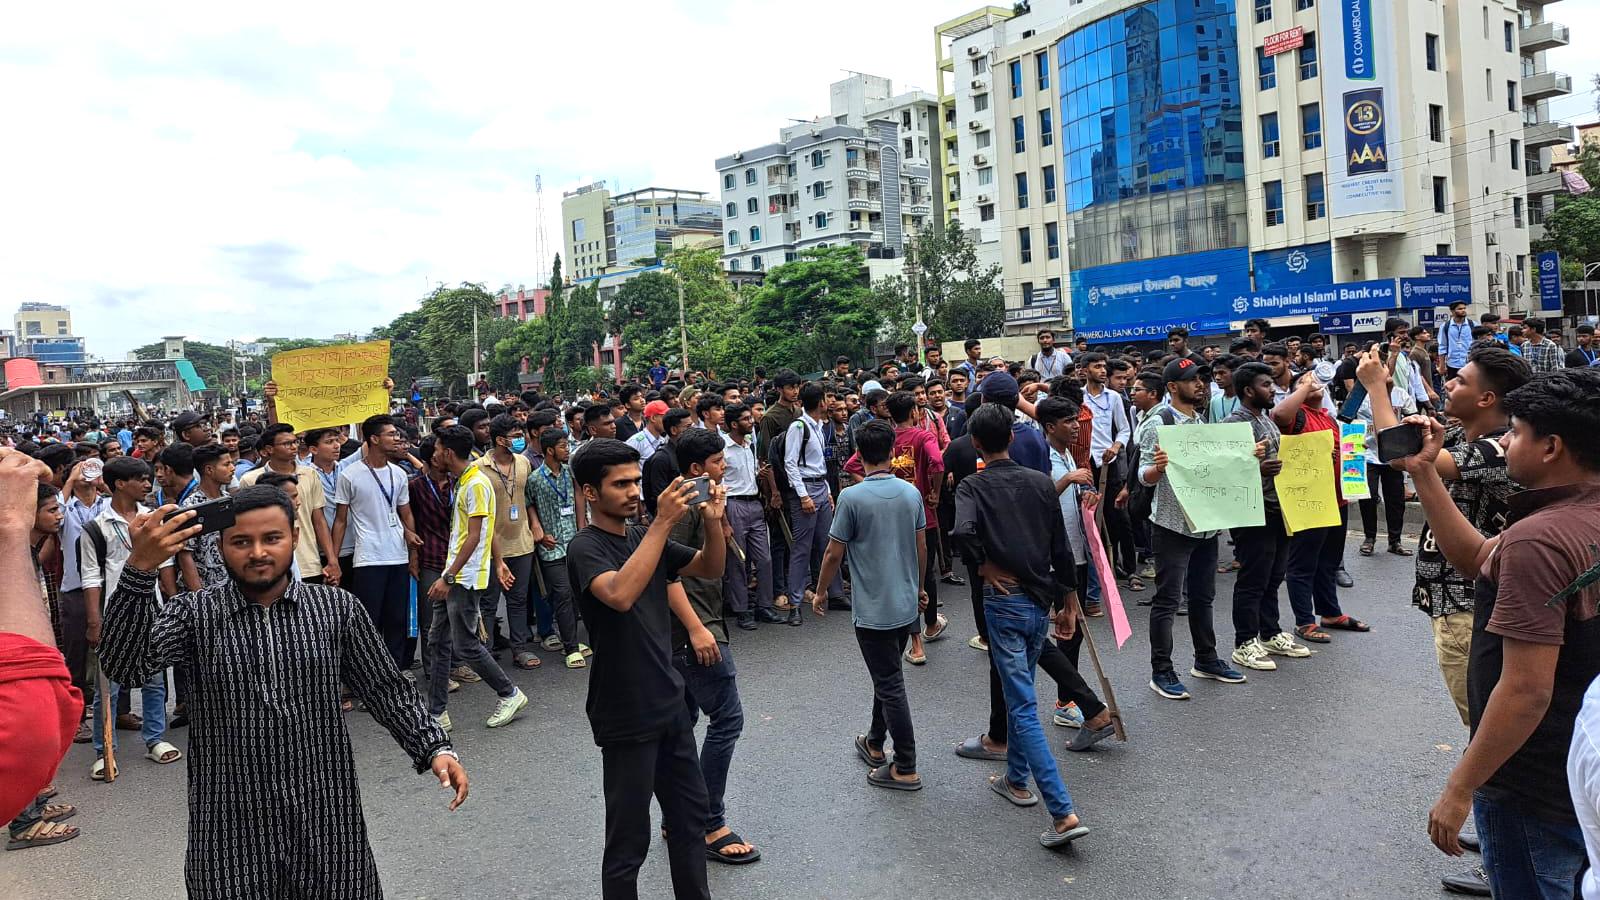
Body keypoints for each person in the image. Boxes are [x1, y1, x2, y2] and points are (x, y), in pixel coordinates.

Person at [97, 485, 467, 897]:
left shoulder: (335, 609)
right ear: (220, 547)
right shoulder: (193, 614)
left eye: (271, 538)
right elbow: (124, 666)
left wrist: (435, 748)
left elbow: (386, 689)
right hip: (229, 827)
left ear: (294, 536)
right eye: (241, 541)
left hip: (328, 818)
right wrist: (138, 570)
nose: (258, 552)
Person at [1402, 368, 1600, 898]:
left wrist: (1460, 786)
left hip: (1529, 784)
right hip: (1576, 770)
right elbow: (1474, 558)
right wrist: (1424, 472)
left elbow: (1526, 690)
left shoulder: (1540, 539)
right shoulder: (1564, 518)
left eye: (1515, 430)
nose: (1506, 441)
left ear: (1551, 446)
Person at [564, 438, 727, 900]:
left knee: (690, 821)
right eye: (620, 484)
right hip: (625, 711)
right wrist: (661, 523)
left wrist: (713, 523)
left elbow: (708, 567)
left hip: (670, 701)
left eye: (636, 481)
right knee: (629, 841)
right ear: (590, 492)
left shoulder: (642, 536)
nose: (634, 491)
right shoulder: (585, 547)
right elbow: (618, 594)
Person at [953, 404, 1091, 848]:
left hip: (1005, 604)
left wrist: (984, 567)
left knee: (1025, 708)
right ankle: (1014, 778)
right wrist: (1068, 599)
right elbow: (1061, 546)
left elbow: (962, 533)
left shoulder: (971, 485)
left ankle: (1063, 812)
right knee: (1020, 695)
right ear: (1011, 439)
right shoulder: (1039, 482)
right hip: (1040, 600)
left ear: (976, 443)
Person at [811, 420, 927, 791]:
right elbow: (922, 546)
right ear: (892, 451)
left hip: (873, 608)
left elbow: (833, 552)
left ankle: (905, 764)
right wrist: (921, 588)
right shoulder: (911, 494)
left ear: (859, 456)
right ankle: (875, 742)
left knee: (890, 682)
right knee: (888, 674)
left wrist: (820, 592)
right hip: (905, 602)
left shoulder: (851, 497)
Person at [664, 428, 760, 864]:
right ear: (698, 468)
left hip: (694, 628)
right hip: (696, 632)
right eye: (720, 461)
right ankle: (709, 822)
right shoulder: (685, 507)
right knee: (727, 720)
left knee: (683, 726)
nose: (727, 467)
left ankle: (679, 815)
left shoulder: (700, 502)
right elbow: (668, 574)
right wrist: (698, 629)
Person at [1136, 359, 1247, 700]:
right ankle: (1162, 670)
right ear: (1172, 387)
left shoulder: (1202, 421)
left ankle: (1206, 659)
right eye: (1192, 380)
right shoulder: (1160, 422)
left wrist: (1247, 454)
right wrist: (1157, 469)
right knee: (1168, 600)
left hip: (1206, 525)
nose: (1201, 384)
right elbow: (1143, 474)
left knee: (1203, 597)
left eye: (1202, 378)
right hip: (1172, 524)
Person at [422, 426, 529, 733]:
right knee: (438, 641)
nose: (434, 454)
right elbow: (487, 529)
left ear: (447, 453)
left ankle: (509, 693)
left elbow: (476, 535)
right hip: (456, 573)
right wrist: (496, 563)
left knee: (466, 644)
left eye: (438, 449)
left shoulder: (475, 484)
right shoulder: (466, 480)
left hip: (464, 578)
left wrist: (449, 576)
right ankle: (437, 712)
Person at [81, 455, 181, 778]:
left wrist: (170, 605)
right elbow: (91, 576)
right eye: (140, 478)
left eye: (147, 477)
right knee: (107, 686)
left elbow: (165, 563)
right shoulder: (96, 527)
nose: (147, 483)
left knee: (154, 677)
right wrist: (95, 621)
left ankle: (154, 739)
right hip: (113, 613)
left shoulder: (152, 519)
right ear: (120, 484)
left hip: (150, 609)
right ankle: (104, 750)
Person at [843, 390, 944, 663]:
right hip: (920, 514)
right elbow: (937, 462)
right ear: (913, 412)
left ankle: (914, 639)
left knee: (895, 569)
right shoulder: (923, 437)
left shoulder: (883, 438)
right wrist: (934, 492)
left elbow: (851, 463)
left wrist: (866, 487)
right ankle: (924, 631)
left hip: (883, 514)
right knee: (922, 575)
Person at [1223, 362, 1309, 672]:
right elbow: (1222, 472)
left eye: (1272, 384)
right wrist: (1255, 469)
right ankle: (1244, 642)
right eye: (1265, 384)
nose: (1272, 389)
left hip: (1278, 508)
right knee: (1252, 579)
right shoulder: (1233, 424)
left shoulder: (1267, 419)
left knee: (1274, 575)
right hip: (1252, 511)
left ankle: (1270, 632)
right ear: (1248, 390)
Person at [1272, 370, 1369, 645]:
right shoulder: (1296, 415)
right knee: (1303, 564)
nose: (1314, 382)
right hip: (1310, 501)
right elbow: (1279, 416)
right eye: (1305, 380)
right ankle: (1304, 621)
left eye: (1316, 380)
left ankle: (1329, 613)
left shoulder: (1327, 417)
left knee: (1328, 561)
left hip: (1337, 499)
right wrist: (1303, 387)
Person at [332, 415, 421, 671]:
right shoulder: (350, 475)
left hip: (398, 556)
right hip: (368, 558)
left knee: (397, 619)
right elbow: (340, 520)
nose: (397, 439)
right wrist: (334, 561)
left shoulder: (399, 473)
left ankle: (394, 674)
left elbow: (405, 514)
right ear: (374, 439)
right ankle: (371, 676)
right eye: (391, 434)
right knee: (370, 621)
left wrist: (412, 553)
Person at [240, 424, 339, 585]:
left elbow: (319, 520)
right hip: (270, 563)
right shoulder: (251, 480)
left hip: (309, 562)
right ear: (269, 449)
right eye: (287, 443)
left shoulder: (309, 474)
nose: (294, 447)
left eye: (295, 442)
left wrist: (332, 559)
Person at [481, 414, 543, 670]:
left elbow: (527, 498)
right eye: (515, 436)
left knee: (518, 599)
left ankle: (520, 649)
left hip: (522, 543)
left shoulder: (524, 463)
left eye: (521, 435)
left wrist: (535, 524)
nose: (521, 440)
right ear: (499, 440)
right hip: (491, 545)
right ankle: (484, 652)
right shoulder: (480, 468)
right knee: (488, 601)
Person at [782, 382, 846, 625]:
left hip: (821, 487)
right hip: (806, 490)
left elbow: (819, 465)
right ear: (820, 402)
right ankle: (795, 603)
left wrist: (827, 490)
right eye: (827, 398)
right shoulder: (799, 427)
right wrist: (803, 495)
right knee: (802, 548)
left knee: (830, 543)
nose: (829, 402)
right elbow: (791, 464)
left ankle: (837, 593)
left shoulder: (819, 427)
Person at [527, 427, 589, 668]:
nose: (567, 450)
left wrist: (582, 526)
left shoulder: (570, 472)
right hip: (551, 546)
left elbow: (579, 497)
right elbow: (528, 504)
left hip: (573, 541)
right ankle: (571, 648)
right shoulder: (535, 479)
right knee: (561, 594)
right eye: (563, 446)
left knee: (576, 593)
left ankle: (571, 638)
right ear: (550, 450)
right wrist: (538, 529)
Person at [720, 403, 780, 630]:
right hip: (733, 505)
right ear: (734, 424)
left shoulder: (749, 445)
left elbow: (750, 476)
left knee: (764, 559)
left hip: (754, 503)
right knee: (737, 560)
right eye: (746, 419)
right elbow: (722, 483)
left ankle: (764, 605)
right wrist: (724, 519)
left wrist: (760, 475)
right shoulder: (723, 449)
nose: (751, 421)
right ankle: (742, 609)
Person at [176, 444, 234, 593]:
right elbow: (185, 554)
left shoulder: (227, 500)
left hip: (231, 585)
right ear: (209, 470)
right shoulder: (191, 507)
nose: (232, 468)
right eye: (226, 464)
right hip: (207, 588)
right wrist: (200, 595)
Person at [624, 400, 670, 464]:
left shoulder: (663, 440)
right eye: (665, 417)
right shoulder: (636, 442)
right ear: (653, 418)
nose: (668, 421)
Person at [1441, 301, 1474, 378]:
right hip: (1452, 364)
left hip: (1469, 363)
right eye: (1460, 309)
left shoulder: (1473, 325)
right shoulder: (1445, 326)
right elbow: (1442, 346)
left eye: (1464, 308)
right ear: (1452, 311)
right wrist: (1442, 365)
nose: (1463, 310)